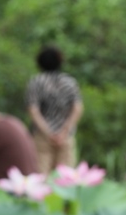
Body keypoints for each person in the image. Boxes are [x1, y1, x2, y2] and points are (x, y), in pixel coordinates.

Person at [26, 46, 84, 174]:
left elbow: (33, 110)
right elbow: (77, 108)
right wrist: (64, 131)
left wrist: (48, 133)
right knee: (65, 177)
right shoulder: (69, 82)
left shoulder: (36, 82)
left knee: (41, 177)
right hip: (66, 136)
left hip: (42, 136)